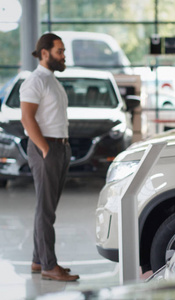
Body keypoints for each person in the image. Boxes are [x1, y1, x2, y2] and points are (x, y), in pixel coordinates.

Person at [20, 33, 79, 281]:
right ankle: (48, 265)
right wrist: (44, 148)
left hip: (59, 148)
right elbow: (27, 118)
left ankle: (38, 260)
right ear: (44, 53)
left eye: (63, 51)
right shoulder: (34, 82)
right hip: (47, 149)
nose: (64, 56)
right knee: (45, 210)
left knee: (47, 209)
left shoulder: (51, 80)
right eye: (59, 51)